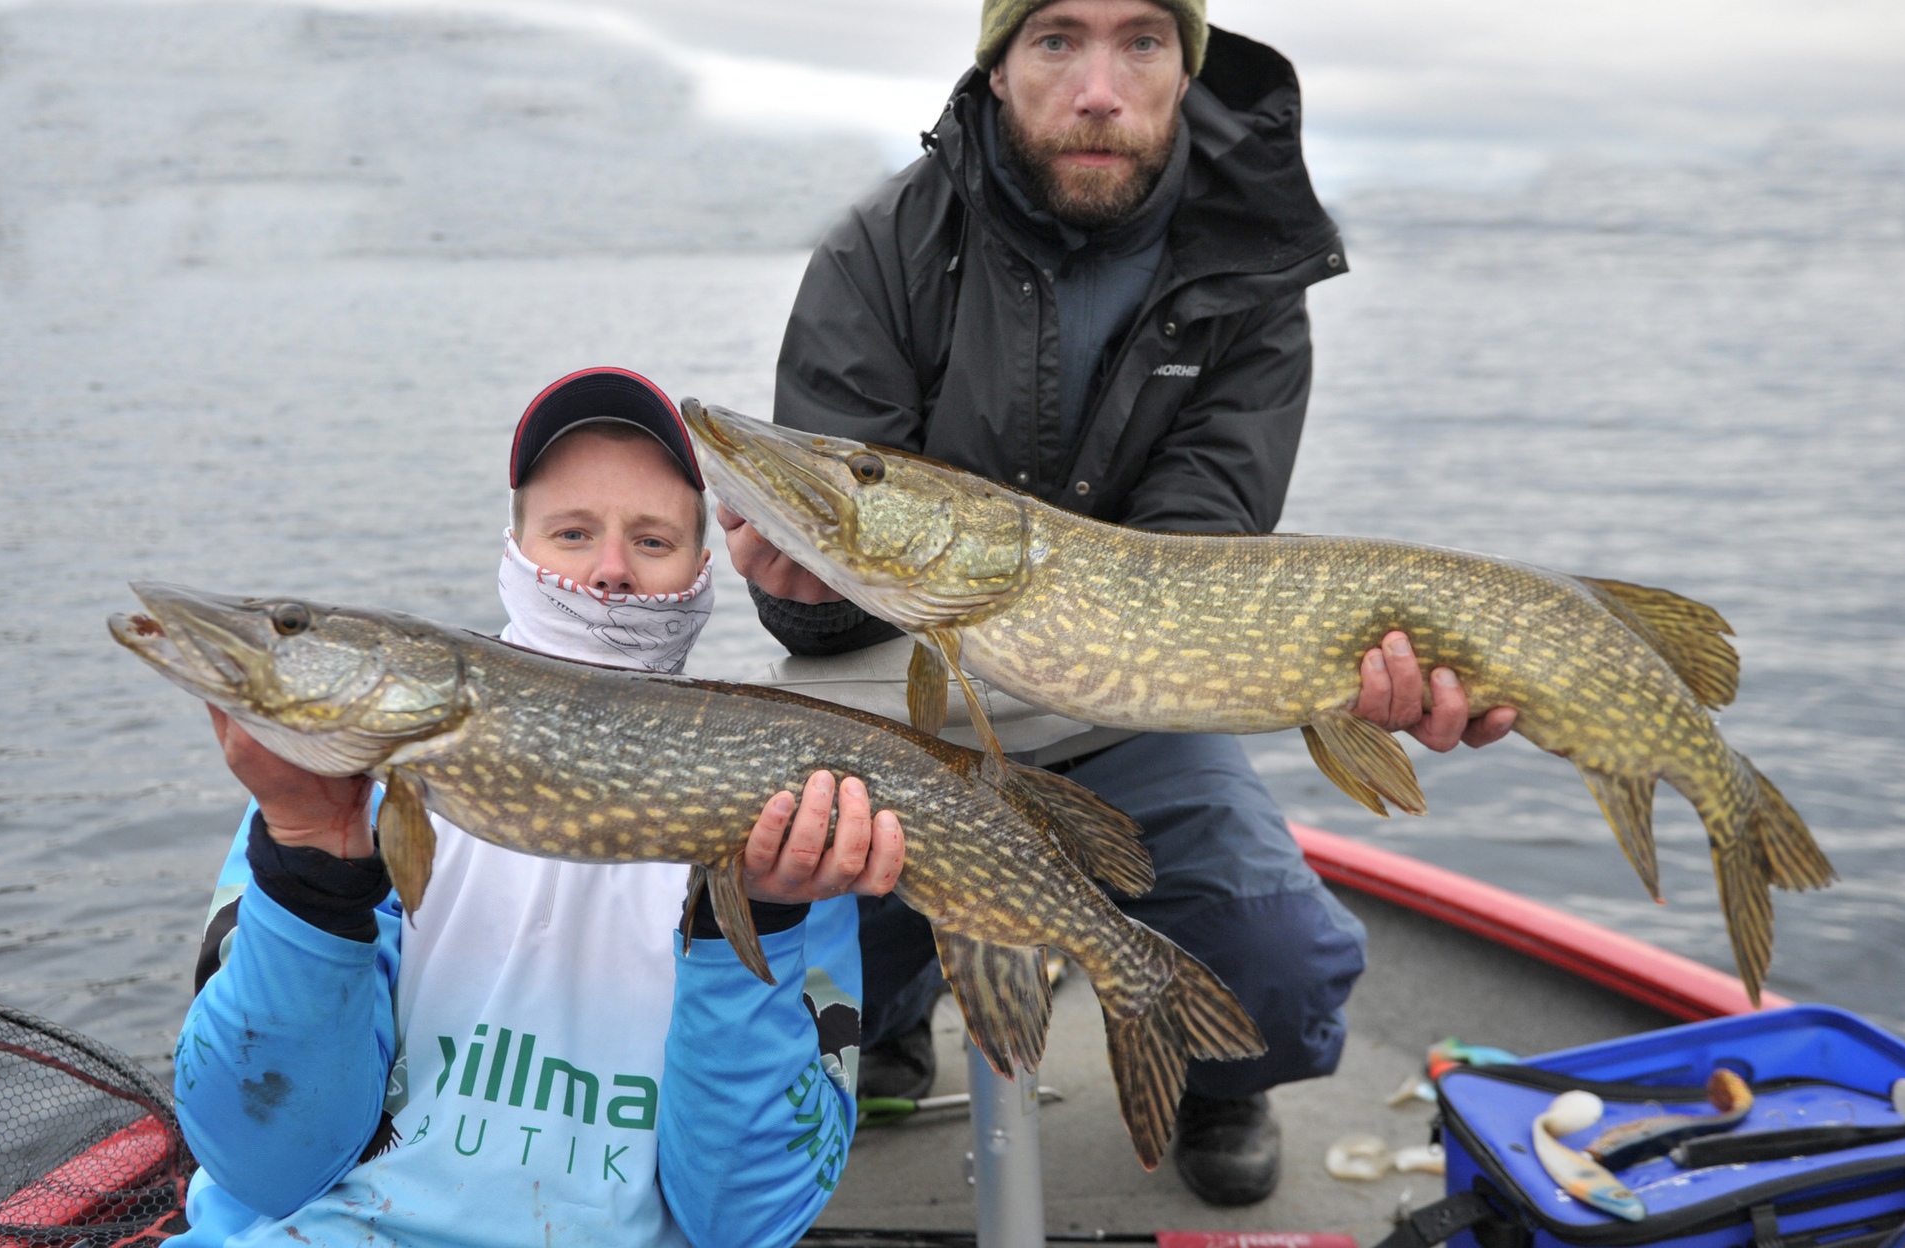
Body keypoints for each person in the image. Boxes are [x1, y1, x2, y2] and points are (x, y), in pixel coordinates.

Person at [721, 0, 1517, 1207]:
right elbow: (832, 568)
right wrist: (810, 597)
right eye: (1055, 40)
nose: (1099, 88)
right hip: (907, 690)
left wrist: (1358, 686)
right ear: (997, 71)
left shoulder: (1254, 265)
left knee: (1277, 963)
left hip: (1130, 699)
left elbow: (1201, 552)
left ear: (1184, 69)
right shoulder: (879, 250)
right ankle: (893, 1011)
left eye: (1141, 41)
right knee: (792, 922)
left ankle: (1221, 1073)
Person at [169, 367, 906, 1247]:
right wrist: (309, 857)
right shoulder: (340, 800)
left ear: (701, 569)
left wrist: (760, 912)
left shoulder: (781, 837)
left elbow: (746, 1221)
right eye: (572, 532)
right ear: (515, 547)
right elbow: (264, 1164)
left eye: (652, 540)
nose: (610, 571)